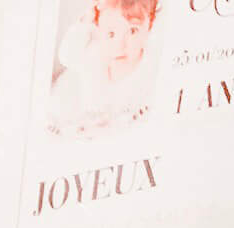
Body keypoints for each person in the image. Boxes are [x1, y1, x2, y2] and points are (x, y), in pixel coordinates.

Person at [47, 0, 160, 137]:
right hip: (75, 121)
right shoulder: (94, 53)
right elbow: (66, 57)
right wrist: (86, 21)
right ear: (98, 28)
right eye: (111, 34)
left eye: (132, 31)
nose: (120, 45)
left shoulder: (150, 70)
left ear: (150, 26)